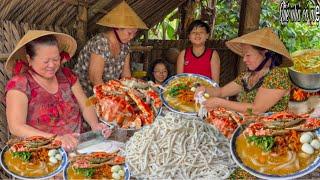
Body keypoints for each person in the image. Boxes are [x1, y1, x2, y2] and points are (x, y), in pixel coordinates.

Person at [5, 30, 111, 151]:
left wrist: (95, 125)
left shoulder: (67, 75)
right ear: (29, 59)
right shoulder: (20, 84)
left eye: (56, 59)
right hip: (43, 152)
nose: (52, 65)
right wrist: (57, 139)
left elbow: (85, 104)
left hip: (78, 145)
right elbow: (16, 127)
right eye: (45, 61)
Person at [197, 27, 293, 114]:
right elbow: (221, 92)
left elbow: (256, 109)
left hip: (266, 130)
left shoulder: (278, 76)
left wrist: (221, 102)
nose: (244, 59)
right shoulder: (247, 76)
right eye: (244, 55)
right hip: (244, 126)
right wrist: (205, 90)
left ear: (266, 55)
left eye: (248, 55)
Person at [73, 1, 148, 96]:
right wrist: (113, 97)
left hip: (108, 91)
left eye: (134, 33)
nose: (132, 37)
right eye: (129, 33)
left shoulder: (125, 45)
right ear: (116, 28)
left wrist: (130, 91)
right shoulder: (100, 43)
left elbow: (126, 75)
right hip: (85, 93)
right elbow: (95, 79)